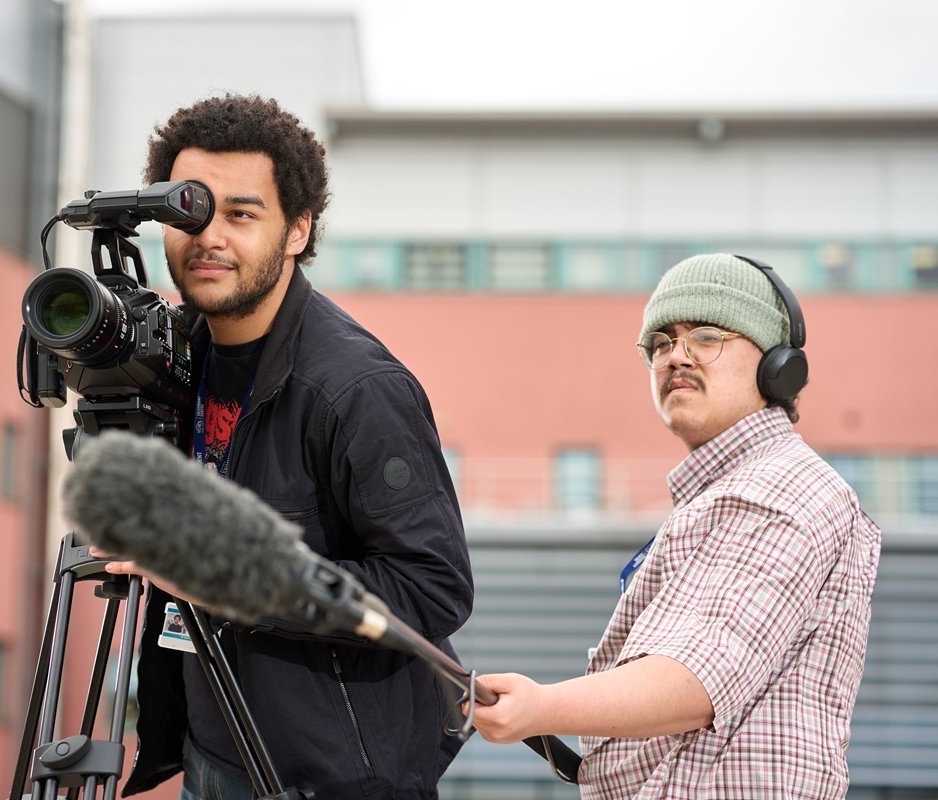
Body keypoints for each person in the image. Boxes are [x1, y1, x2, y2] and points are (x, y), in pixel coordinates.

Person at [90, 94, 474, 800]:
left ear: (297, 229)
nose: (209, 237)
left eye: (241, 214)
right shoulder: (168, 359)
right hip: (214, 752)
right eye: (191, 213)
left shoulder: (356, 389)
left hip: (335, 777)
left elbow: (433, 588)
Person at [465, 253, 881, 799]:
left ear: (777, 367)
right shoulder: (726, 495)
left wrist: (542, 707)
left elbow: (696, 678)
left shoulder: (782, 489)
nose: (675, 357)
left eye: (706, 336)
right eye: (660, 343)